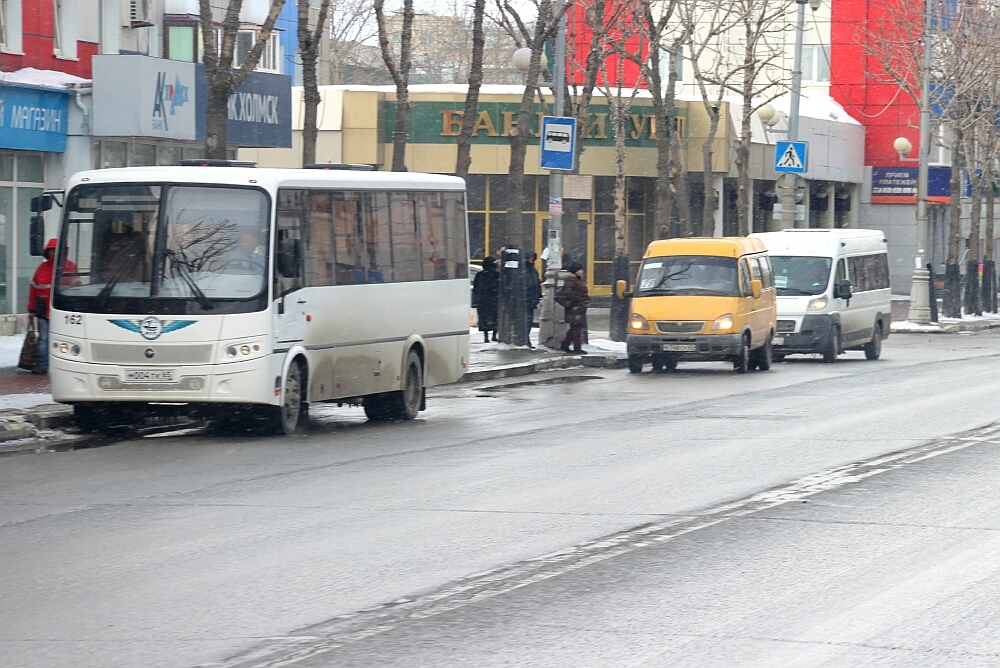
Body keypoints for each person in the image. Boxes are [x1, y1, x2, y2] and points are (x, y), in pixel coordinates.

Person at [28, 239, 76, 374]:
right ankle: (42, 364)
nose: (54, 253)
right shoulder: (41, 268)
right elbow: (33, 290)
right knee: (44, 338)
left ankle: (63, 365)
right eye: (52, 251)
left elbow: (77, 288)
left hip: (63, 310)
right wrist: (31, 309)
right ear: (47, 252)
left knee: (64, 339)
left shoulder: (71, 267)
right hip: (43, 310)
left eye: (57, 251)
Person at [558, 262, 590, 353]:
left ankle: (566, 344)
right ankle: (576, 347)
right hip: (575, 308)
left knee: (574, 328)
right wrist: (580, 300)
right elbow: (568, 293)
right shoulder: (571, 280)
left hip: (577, 307)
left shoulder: (576, 280)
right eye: (580, 270)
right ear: (575, 271)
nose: (582, 271)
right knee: (577, 328)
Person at [472, 256, 500, 343]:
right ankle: (494, 335)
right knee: (495, 318)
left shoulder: (480, 275)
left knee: (484, 319)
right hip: (495, 300)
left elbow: (476, 289)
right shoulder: (497, 275)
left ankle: (486, 336)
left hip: (483, 301)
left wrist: (475, 300)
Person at [524, 251, 542, 329]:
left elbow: (537, 283)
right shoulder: (524, 269)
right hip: (526, 299)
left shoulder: (533, 270)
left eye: (533, 258)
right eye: (530, 257)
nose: (531, 259)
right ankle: (525, 338)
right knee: (527, 320)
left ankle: (526, 337)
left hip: (531, 299)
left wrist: (538, 295)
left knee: (529, 320)